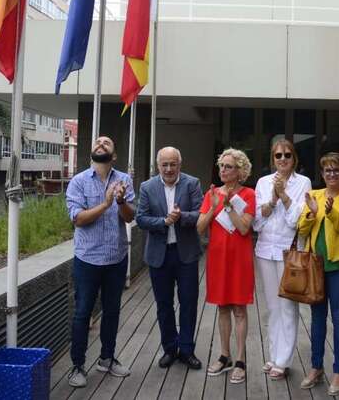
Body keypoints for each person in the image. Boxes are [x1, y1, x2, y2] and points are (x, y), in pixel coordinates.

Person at [64, 136, 135, 388]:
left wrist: (120, 202)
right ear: (91, 152)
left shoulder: (124, 180)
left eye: (107, 143)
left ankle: (107, 358)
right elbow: (78, 219)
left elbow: (129, 217)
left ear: (113, 155)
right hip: (87, 259)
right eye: (97, 142)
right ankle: (77, 365)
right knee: (83, 313)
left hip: (116, 258)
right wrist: (106, 204)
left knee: (112, 312)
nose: (101, 144)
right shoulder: (78, 181)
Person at [298, 152, 339, 396]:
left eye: (336, 170)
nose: (331, 174)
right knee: (316, 318)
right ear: (322, 173)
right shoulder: (315, 195)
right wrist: (312, 212)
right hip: (316, 266)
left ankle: (338, 371)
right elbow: (301, 228)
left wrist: (332, 212)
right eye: (327, 170)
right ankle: (316, 367)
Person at [135, 146, 203, 370]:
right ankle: (169, 348)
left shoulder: (192, 183)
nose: (169, 168)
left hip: (186, 254)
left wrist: (180, 216)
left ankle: (186, 350)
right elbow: (141, 218)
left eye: (173, 164)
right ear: (158, 166)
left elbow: (200, 214)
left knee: (189, 303)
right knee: (164, 305)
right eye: (164, 164)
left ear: (179, 165)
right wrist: (164, 221)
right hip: (159, 256)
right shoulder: (147, 186)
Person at [253, 139, 312, 380]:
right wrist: (273, 199)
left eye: (287, 155)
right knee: (273, 307)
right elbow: (258, 221)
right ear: (272, 158)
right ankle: (274, 354)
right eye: (278, 155)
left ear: (294, 158)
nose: (283, 159)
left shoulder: (303, 182)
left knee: (288, 306)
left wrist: (284, 195)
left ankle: (284, 359)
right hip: (265, 249)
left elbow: (298, 220)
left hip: (290, 251)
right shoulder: (262, 182)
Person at [197, 148, 256, 384]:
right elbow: (200, 228)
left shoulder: (249, 194)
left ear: (240, 171)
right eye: (221, 165)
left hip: (240, 258)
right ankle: (225, 355)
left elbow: (243, 228)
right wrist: (213, 207)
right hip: (218, 257)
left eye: (228, 166)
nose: (222, 170)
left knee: (240, 309)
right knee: (222, 308)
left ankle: (240, 360)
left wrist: (229, 206)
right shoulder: (211, 193)